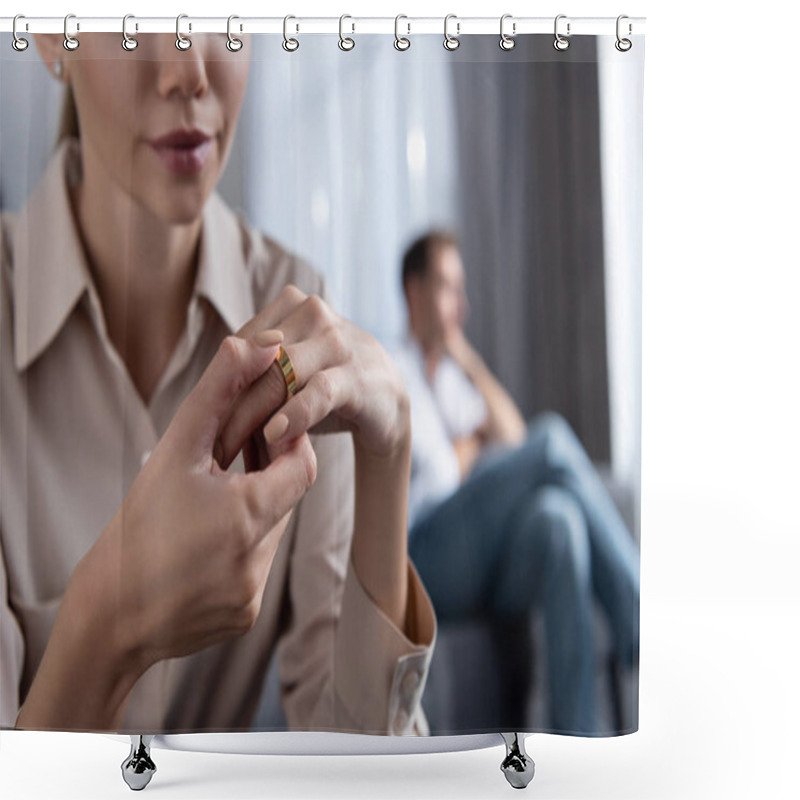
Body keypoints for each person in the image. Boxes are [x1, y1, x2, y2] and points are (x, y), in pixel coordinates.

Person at [0, 33, 437, 736]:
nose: (189, 74)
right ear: (53, 36)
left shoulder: (300, 314)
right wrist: (110, 620)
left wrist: (389, 457)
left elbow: (357, 762)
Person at [390, 230, 640, 734]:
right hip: (422, 558)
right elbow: (529, 451)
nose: (460, 303)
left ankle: (579, 745)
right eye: (445, 287)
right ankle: (640, 618)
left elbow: (510, 434)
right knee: (552, 443)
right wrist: (466, 451)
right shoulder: (392, 370)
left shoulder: (453, 384)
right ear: (413, 291)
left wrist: (465, 356)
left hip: (476, 556)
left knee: (558, 521)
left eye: (462, 289)